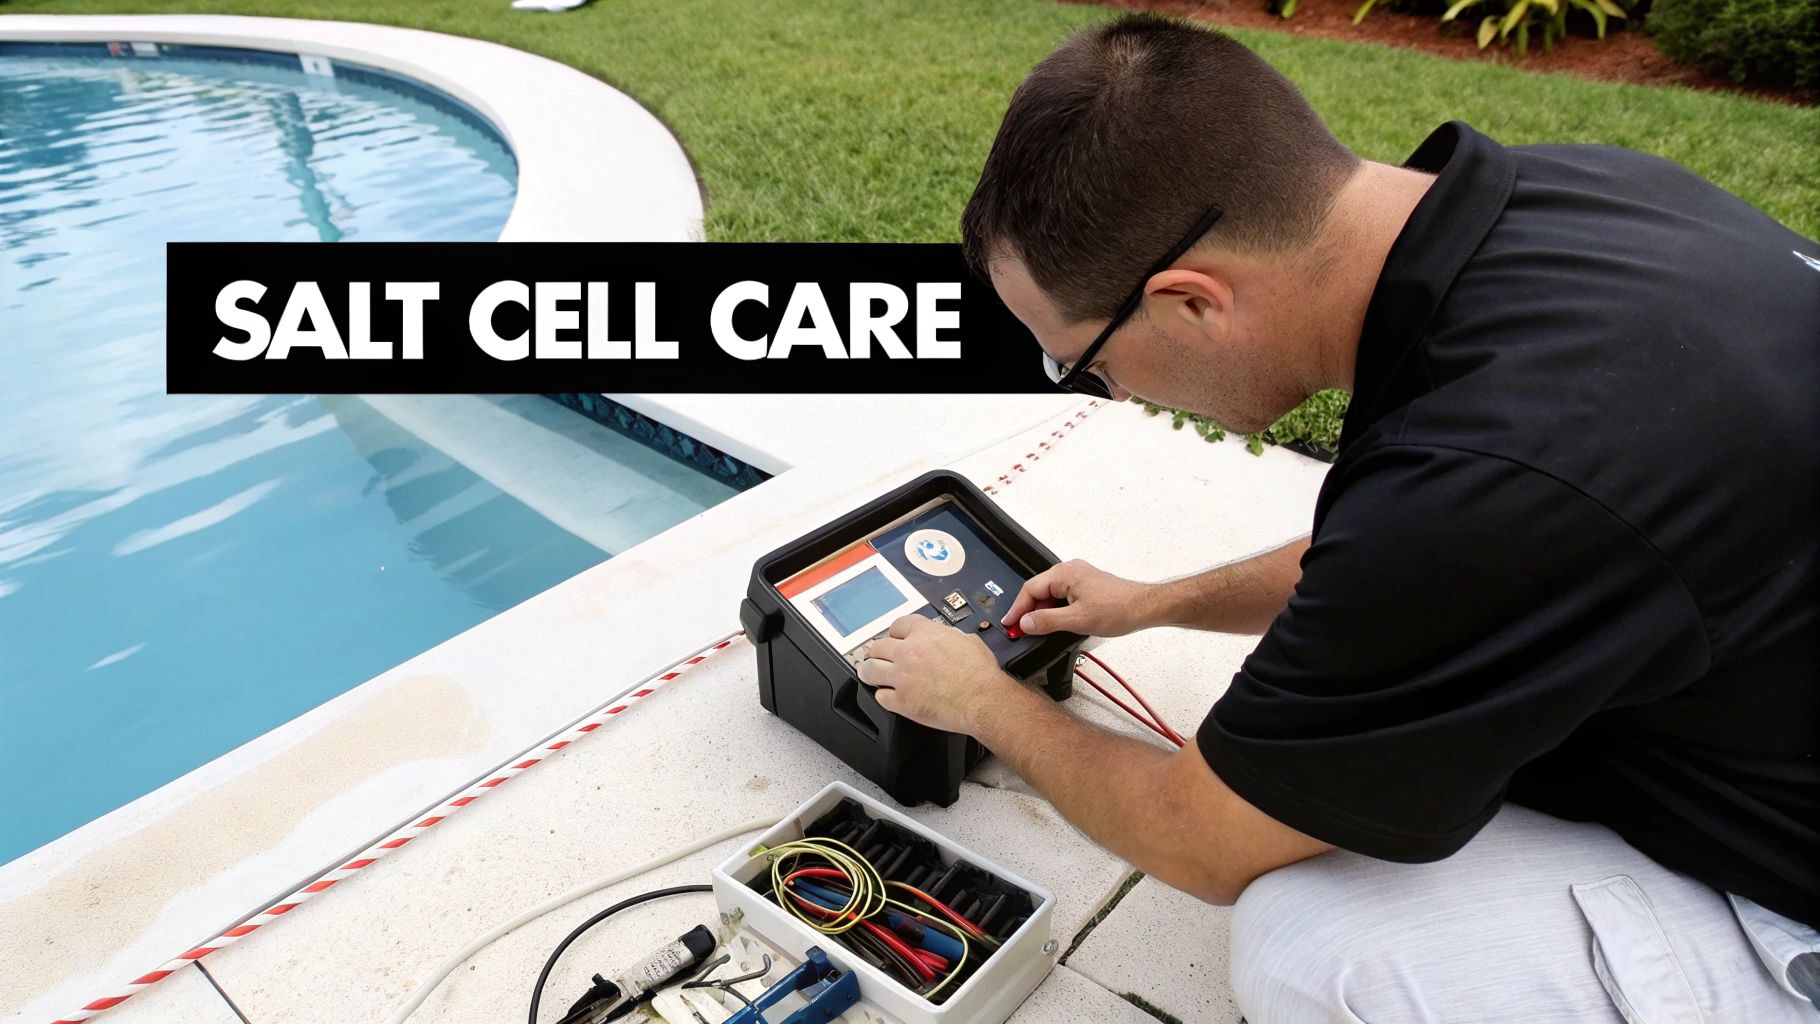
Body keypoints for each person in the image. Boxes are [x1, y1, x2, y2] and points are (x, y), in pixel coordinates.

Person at [854, 14, 1820, 1022]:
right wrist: (1154, 603)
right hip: (1753, 699)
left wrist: (984, 702)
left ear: (1192, 303)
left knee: (1311, 946)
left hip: (1785, 886)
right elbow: (1455, 550)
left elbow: (1200, 839)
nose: (1113, 394)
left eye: (1084, 363)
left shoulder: (1494, 481)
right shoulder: (1577, 197)